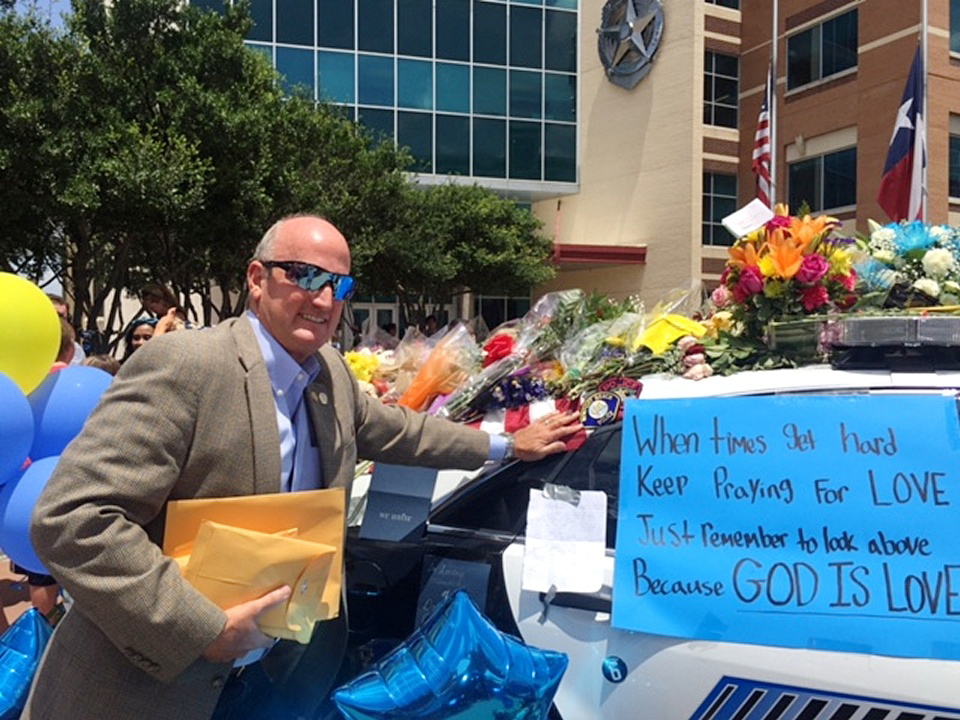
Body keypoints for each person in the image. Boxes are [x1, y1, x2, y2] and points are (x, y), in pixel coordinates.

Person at [24, 215, 579, 720]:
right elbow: (74, 517)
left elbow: (403, 431)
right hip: (151, 687)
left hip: (271, 682)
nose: (323, 298)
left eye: (339, 285)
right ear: (257, 279)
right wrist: (202, 630)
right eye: (305, 276)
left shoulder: (329, 375)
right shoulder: (188, 366)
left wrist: (510, 445)